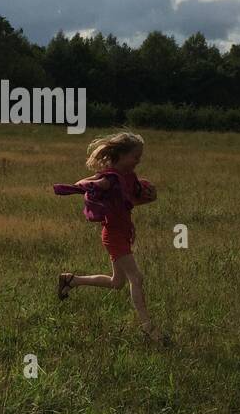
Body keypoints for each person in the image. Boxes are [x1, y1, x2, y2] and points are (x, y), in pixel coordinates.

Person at [53, 131, 164, 343]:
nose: (138, 160)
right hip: (113, 235)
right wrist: (93, 185)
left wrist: (149, 195)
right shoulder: (109, 176)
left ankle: (71, 280)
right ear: (120, 155)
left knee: (117, 283)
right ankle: (148, 328)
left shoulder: (129, 177)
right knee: (136, 278)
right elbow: (82, 182)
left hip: (124, 232)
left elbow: (130, 201)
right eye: (135, 156)